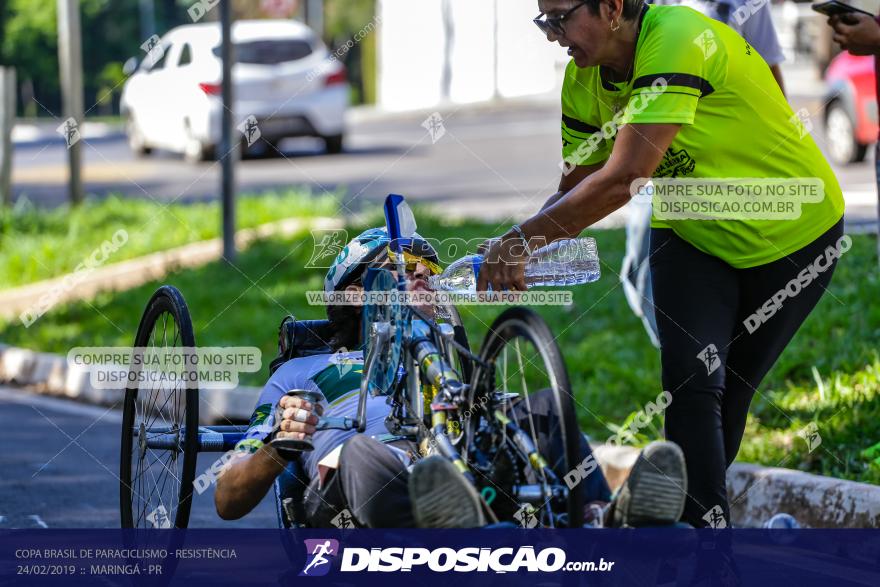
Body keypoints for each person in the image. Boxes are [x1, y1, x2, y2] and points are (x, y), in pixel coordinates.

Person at [479, 0, 845, 528]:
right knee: (692, 384)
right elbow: (576, 186)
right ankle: (701, 549)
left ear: (609, 8)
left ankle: (692, 535)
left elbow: (627, 174)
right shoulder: (583, 81)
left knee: (728, 396)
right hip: (691, 225)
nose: (552, 35)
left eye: (560, 18)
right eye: (545, 21)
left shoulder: (675, 36)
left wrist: (519, 242)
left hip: (793, 231)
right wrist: (515, 250)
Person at [214, 227, 688, 528]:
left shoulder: (446, 358)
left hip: (466, 474)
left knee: (544, 406)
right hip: (357, 492)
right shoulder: (304, 372)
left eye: (429, 274)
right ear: (358, 294)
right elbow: (226, 498)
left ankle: (606, 522)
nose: (423, 280)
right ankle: (453, 538)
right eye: (402, 273)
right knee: (361, 453)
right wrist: (279, 445)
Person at [623, 0, 788, 347]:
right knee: (642, 273)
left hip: (723, 162)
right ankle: (684, 357)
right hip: (657, 156)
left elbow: (769, 70)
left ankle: (714, 364)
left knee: (724, 271)